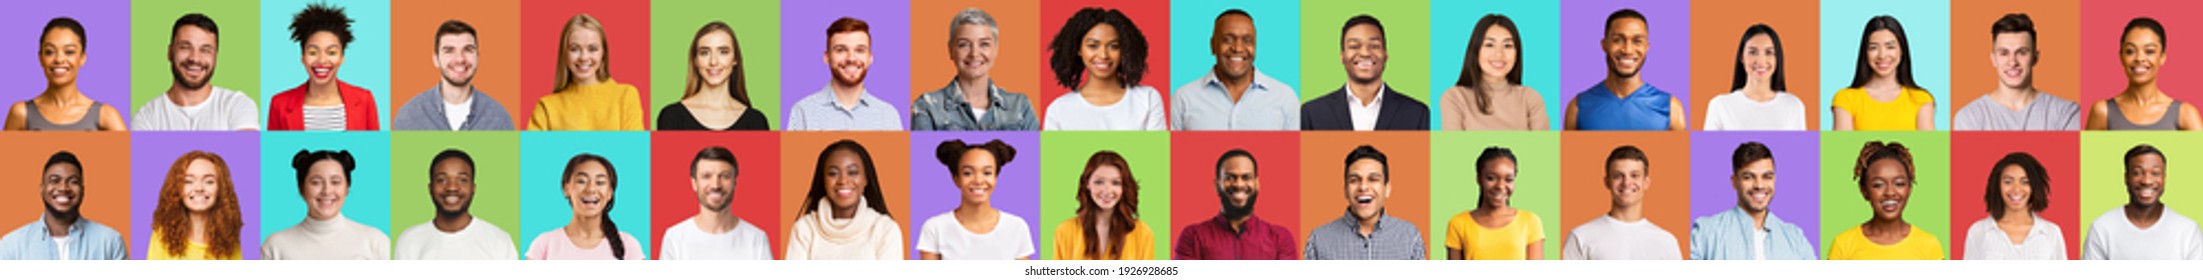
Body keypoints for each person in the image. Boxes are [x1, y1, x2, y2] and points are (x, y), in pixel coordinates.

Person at [1172, 9, 1298, 131]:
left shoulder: (1284, 97)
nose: (1238, 48)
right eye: (1228, 39)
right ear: (1213, 45)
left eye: (1247, 40)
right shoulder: (1184, 98)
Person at [913, 8, 1038, 131]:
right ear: (951, 50)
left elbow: (1035, 150)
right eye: (964, 44)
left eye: (984, 44)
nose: (974, 53)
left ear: (995, 49)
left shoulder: (1020, 106)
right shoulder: (927, 107)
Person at [133, 14, 261, 131]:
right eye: (185, 47)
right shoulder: (147, 116)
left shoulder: (237, 104)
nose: (195, 58)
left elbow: (246, 153)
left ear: (215, 56)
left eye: (205, 50)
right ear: (170, 52)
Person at [1689, 142, 1815, 260]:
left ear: (1774, 179)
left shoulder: (1796, 238)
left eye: (1767, 177)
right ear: (1734, 182)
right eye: (1748, 177)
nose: (1759, 185)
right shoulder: (1705, 233)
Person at [1044, 8, 1165, 131]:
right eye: (1093, 46)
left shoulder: (1147, 99)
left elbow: (1156, 150)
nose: (1103, 55)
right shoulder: (1058, 110)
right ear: (1078, 49)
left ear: (1124, 50)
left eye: (1114, 46)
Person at [1303, 15, 1429, 131]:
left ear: (1385, 54)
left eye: (1374, 46)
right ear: (1342, 56)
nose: (1365, 53)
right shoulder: (1312, 113)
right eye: (1354, 46)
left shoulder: (1417, 113)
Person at [1955, 14, 2080, 131]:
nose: (2012, 62)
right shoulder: (1969, 116)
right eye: (2004, 53)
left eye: (2022, 52)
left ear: (2035, 57)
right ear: (1993, 59)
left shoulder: (2066, 112)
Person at [1566, 9, 1684, 131]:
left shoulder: (1671, 107)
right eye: (1618, 40)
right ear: (1604, 44)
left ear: (1646, 47)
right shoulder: (1577, 107)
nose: (1627, 50)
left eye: (1637, 41)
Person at [786, 140, 904, 260]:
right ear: (823, 181)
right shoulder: (804, 228)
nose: (843, 180)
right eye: (833, 173)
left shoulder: (885, 229)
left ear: (866, 179)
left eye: (852, 172)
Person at [269, 4, 379, 131]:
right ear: (303, 57)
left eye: (331, 52)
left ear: (342, 57)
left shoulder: (365, 100)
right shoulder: (279, 104)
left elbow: (372, 148)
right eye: (313, 52)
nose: (322, 60)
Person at [918, 140, 1035, 260]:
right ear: (956, 179)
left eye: (987, 173)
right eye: (968, 173)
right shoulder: (935, 227)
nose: (978, 180)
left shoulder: (1017, 227)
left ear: (995, 178)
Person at [263, 150, 390, 260]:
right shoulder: (275, 246)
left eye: (335, 182)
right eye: (316, 182)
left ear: (347, 188)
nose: (327, 191)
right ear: (301, 189)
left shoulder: (375, 241)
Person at [2082, 144, 2203, 259]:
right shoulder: (2102, 227)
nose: (2147, 181)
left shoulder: (2188, 230)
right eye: (2138, 173)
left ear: (2164, 178)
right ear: (2126, 178)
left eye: (2155, 173)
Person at [1829, 141, 1945, 260]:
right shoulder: (1843, 244)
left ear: (1909, 188)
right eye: (1878, 185)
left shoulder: (1930, 245)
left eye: (1899, 183)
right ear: (1864, 191)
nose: (1890, 192)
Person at [1305, 145, 1425, 260]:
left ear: (1387, 189)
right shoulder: (1319, 240)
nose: (1363, 187)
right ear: (1346, 190)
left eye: (1373, 179)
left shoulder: (1410, 236)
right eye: (1354, 180)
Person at [394, 149, 518, 260]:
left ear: (473, 188)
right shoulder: (409, 241)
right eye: (442, 180)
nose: (452, 187)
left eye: (462, 180)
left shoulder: (499, 241)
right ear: (430, 187)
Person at [1173, 149, 1296, 260]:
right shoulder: (1193, 237)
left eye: (1246, 177)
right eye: (1230, 178)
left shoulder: (1280, 238)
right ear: (1217, 185)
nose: (1239, 184)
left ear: (1257, 184)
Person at [0, 151, 125, 260]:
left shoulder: (110, 242)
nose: (63, 188)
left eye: (73, 182)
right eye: (54, 180)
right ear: (42, 189)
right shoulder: (11, 245)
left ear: (82, 190)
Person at [1563, 146, 1682, 259]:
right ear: (1607, 182)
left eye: (1634, 175)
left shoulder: (1666, 242)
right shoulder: (1581, 237)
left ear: (1646, 182)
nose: (1626, 182)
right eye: (1618, 176)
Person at [528, 14, 644, 131]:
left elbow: (634, 148)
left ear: (603, 53)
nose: (584, 57)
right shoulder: (546, 108)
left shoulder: (625, 96)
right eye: (574, 49)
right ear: (564, 54)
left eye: (592, 49)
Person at [395, 20, 515, 131]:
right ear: (436, 59)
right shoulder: (408, 117)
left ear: (477, 57)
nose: (459, 59)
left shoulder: (500, 119)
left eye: (468, 49)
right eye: (449, 50)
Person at [8, 17, 124, 131]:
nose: (59, 59)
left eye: (69, 52)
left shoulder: (106, 115)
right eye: (49, 52)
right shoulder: (21, 113)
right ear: (40, 58)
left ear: (82, 58)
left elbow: (131, 149)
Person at [788, 17, 902, 131]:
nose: (851, 58)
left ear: (870, 58)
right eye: (841, 50)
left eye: (860, 50)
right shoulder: (803, 112)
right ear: (827, 57)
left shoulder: (888, 115)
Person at [2087, 17, 2201, 131]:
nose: (2139, 58)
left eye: (2149, 51)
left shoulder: (2185, 114)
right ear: (2121, 57)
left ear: (2162, 57)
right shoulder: (2102, 111)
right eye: (2130, 51)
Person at [659, 147, 770, 260]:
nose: (716, 185)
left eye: (725, 176)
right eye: (706, 176)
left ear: (735, 183)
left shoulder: (757, 239)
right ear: (694, 183)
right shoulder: (674, 238)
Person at [526, 154, 644, 260]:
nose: (591, 189)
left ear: (610, 193)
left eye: (600, 182)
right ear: (566, 188)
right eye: (582, 181)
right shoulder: (544, 244)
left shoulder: (629, 246)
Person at [1441, 15, 1546, 131]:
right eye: (1489, 45)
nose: (1499, 54)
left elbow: (1541, 148)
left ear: (1517, 53)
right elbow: (1454, 148)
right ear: (1476, 51)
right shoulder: (1455, 98)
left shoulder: (1531, 99)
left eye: (1507, 46)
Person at [659, 22, 769, 131]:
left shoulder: (756, 121)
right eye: (705, 53)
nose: (713, 62)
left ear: (735, 59)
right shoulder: (671, 116)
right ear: (695, 60)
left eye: (723, 52)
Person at [1832, 16, 1936, 131]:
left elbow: (1928, 148)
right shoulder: (1845, 99)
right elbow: (1843, 148)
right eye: (1873, 48)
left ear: (1902, 51)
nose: (1882, 55)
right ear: (1865, 53)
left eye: (1890, 47)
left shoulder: (1921, 99)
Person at [1445, 147, 1546, 260]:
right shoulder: (1458, 223)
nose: (1500, 186)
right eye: (1491, 178)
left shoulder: (1530, 221)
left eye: (1508, 180)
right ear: (1479, 178)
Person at [1962, 152, 2065, 260]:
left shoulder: (2051, 232)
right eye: (2008, 182)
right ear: (1997, 186)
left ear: (2034, 187)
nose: (2016, 189)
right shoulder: (1978, 232)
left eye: (2025, 182)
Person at [1703, 24, 1806, 131]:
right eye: (1752, 52)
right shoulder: (1720, 106)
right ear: (1741, 57)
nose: (1761, 61)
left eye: (1769, 52)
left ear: (1777, 58)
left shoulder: (1794, 106)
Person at [1054, 151, 1154, 260]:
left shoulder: (1143, 233)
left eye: (1115, 183)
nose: (1107, 191)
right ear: (1087, 184)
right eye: (1099, 182)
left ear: (1124, 187)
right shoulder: (1064, 231)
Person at [148, 151, 244, 260]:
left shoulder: (230, 243)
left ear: (220, 190)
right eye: (189, 181)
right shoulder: (162, 237)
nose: (199, 188)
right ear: (177, 189)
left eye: (209, 181)